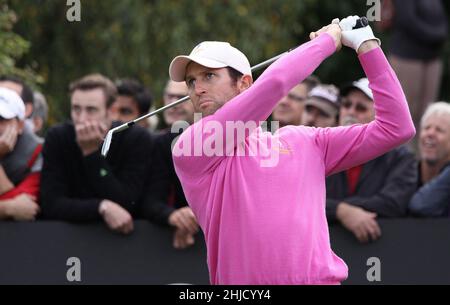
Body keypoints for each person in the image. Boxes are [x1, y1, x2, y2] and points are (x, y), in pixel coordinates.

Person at [169, 16, 415, 285]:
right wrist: (328, 41)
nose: (198, 88)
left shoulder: (306, 141)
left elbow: (397, 128)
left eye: (209, 76)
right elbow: (274, 85)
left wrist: (366, 45)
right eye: (191, 82)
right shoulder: (192, 145)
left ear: (244, 83)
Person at [40, 74, 153, 234]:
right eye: (76, 109)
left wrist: (92, 154)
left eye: (91, 110)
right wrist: (100, 207)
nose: (81, 118)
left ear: (111, 111)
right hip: (66, 236)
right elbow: (51, 204)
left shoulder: (136, 138)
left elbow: (127, 202)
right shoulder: (58, 137)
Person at [326, 78, 417, 243]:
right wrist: (341, 211)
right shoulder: (321, 151)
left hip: (382, 254)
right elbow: (299, 199)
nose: (351, 112)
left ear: (380, 116)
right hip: (323, 252)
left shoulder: (401, 157)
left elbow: (393, 202)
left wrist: (338, 208)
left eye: (360, 107)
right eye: (346, 105)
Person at [140, 80, 199, 249]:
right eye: (169, 96)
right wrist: (174, 216)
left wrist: (196, 216)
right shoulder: (156, 143)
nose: (173, 104)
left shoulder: (220, 140)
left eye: (181, 97)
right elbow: (149, 199)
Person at [387, 0, 448, 145]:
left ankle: (420, 160)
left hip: (431, 57)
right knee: (404, 114)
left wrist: (441, 33)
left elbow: (441, 18)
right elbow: (407, 20)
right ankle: (400, 158)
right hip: (407, 57)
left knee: (426, 115)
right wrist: (436, 36)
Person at [0, 88, 42, 221]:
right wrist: (8, 208)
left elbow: (27, 206)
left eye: (1, 119)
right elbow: (15, 205)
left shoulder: (39, 152)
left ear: (20, 125)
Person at [409, 102, 450, 217]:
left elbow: (420, 206)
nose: (430, 133)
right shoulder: (404, 171)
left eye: (439, 130)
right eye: (427, 128)